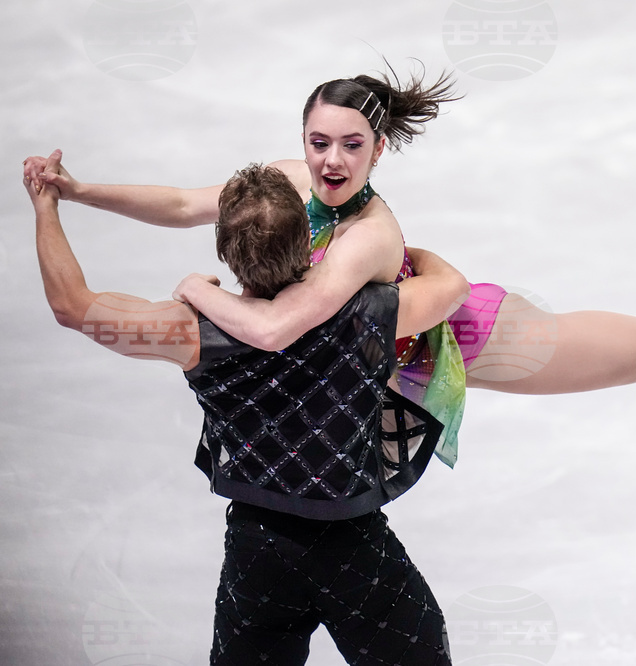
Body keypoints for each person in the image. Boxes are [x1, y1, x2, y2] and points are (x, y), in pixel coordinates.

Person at [24, 69, 636, 464]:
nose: (327, 162)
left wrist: (193, 291)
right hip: (385, 348)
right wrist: (81, 190)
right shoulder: (285, 178)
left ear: (377, 151)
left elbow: (282, 326)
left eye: (349, 146)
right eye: (317, 141)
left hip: (465, 336)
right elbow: (191, 203)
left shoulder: (367, 234)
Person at [26, 159, 465, 665]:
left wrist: (46, 205)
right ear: (308, 241)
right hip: (354, 550)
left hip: (258, 553)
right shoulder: (369, 312)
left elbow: (72, 306)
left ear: (224, 250)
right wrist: (387, 254)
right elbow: (451, 285)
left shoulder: (190, 331)